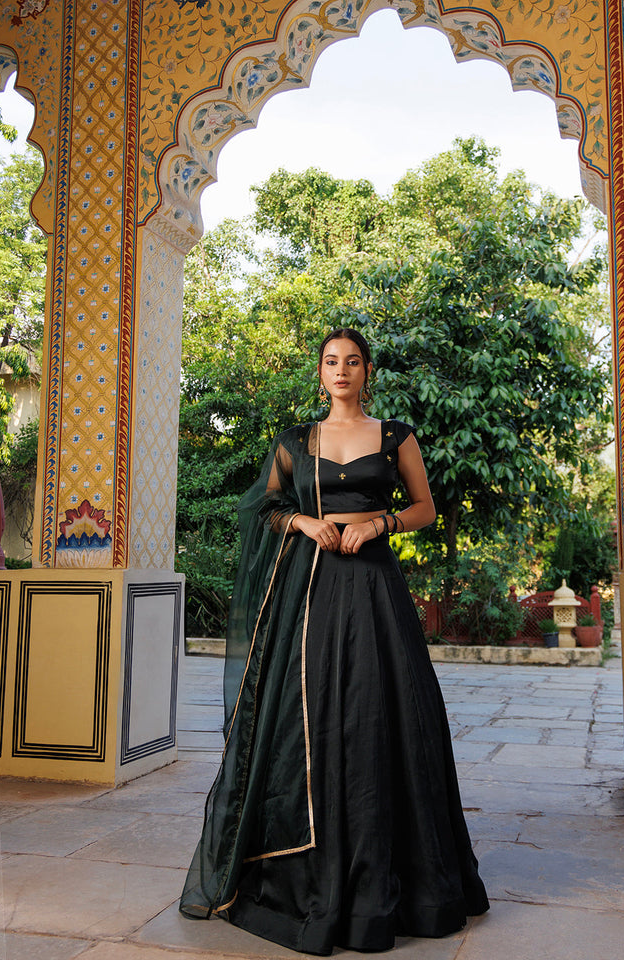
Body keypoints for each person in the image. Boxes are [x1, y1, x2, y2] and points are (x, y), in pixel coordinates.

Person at [180, 328, 489, 956]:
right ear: (319, 372)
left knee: (387, 713)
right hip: (311, 587)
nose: (341, 370)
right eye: (330, 362)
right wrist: (303, 520)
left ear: (366, 371)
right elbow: (260, 506)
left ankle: (399, 875)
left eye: (352, 361)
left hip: (375, 589)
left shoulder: (397, 435)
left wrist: (381, 522)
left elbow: (425, 506)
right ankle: (306, 867)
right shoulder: (296, 442)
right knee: (309, 715)